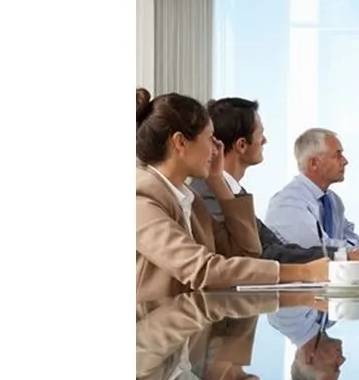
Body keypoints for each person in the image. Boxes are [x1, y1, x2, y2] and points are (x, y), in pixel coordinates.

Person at [135, 89, 327, 303]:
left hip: (190, 330)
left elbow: (246, 254)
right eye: (210, 139)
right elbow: (202, 270)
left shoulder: (190, 200)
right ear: (180, 142)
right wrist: (303, 272)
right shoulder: (141, 199)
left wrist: (217, 181)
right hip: (153, 332)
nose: (216, 150)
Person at [190, 97, 359, 270]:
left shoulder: (234, 191)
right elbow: (253, 256)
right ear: (241, 145)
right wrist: (343, 258)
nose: (264, 140)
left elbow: (275, 248)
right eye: (260, 134)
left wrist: (344, 257)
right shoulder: (208, 192)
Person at [264, 127, 359, 256]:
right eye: (338, 155)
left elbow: (350, 241)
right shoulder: (287, 203)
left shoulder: (333, 200)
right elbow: (320, 249)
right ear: (314, 163)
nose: (345, 161)